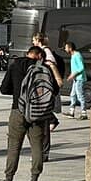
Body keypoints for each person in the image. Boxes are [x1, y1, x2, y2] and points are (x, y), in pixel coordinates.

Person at [0, 45, 48, 181]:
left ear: (27, 54)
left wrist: (17, 91)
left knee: (14, 145)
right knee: (37, 145)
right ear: (39, 56)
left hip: (18, 110)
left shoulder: (15, 66)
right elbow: (53, 90)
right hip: (37, 112)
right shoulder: (42, 68)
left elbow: (4, 89)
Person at [32, 31, 64, 162]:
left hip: (45, 87)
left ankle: (43, 153)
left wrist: (58, 80)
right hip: (41, 87)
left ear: (38, 40)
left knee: (43, 120)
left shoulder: (46, 51)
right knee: (40, 117)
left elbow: (51, 64)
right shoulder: (40, 51)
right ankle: (40, 152)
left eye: (33, 40)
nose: (32, 43)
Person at [65, 41, 88, 120]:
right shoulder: (73, 55)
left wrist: (73, 74)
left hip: (79, 79)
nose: (65, 49)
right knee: (72, 95)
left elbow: (81, 67)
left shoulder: (77, 55)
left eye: (66, 47)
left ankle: (84, 113)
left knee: (80, 95)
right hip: (76, 79)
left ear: (70, 48)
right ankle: (71, 112)